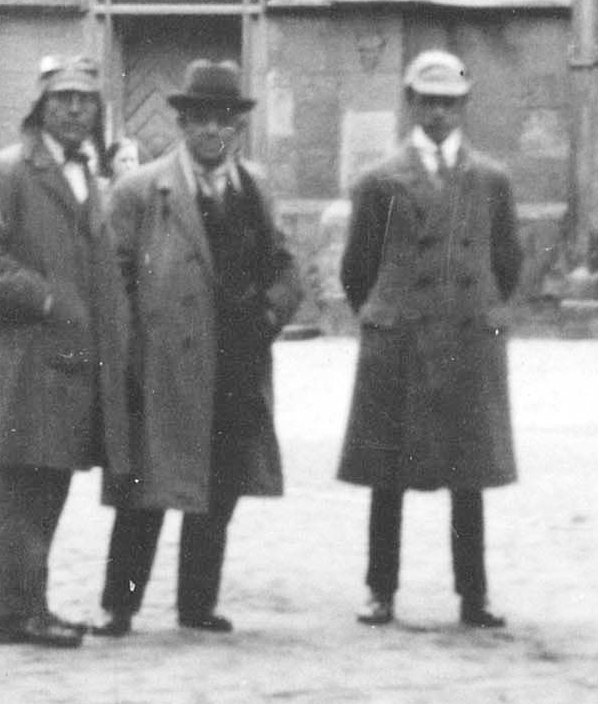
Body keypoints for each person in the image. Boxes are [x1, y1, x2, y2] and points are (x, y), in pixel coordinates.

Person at [98, 58, 302, 639]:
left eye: (223, 121)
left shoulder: (254, 187)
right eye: (201, 120)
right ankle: (121, 605)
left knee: (219, 487)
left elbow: (288, 266)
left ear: (236, 128)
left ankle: (196, 604)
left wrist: (270, 313)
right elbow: (114, 279)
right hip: (164, 366)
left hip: (236, 359)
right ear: (182, 125)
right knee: (147, 492)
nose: (213, 131)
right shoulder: (143, 189)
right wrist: (130, 353)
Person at [337, 50, 522, 629]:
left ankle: (474, 594)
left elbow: (507, 263)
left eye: (449, 103)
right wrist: (388, 312)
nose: (438, 113)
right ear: (411, 105)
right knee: (387, 474)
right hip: (401, 339)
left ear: (463, 106)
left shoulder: (491, 179)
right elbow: (356, 269)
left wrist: (478, 309)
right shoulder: (380, 181)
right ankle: (380, 589)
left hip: (466, 337)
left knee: (469, 475)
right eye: (427, 102)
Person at [0, 51, 130, 647]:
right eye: (64, 99)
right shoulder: (5, 172)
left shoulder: (89, 173)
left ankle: (34, 605)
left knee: (48, 487)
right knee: (24, 492)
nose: (76, 110)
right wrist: (45, 298)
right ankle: (15, 615)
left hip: (71, 369)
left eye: (86, 100)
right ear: (40, 107)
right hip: (27, 365)